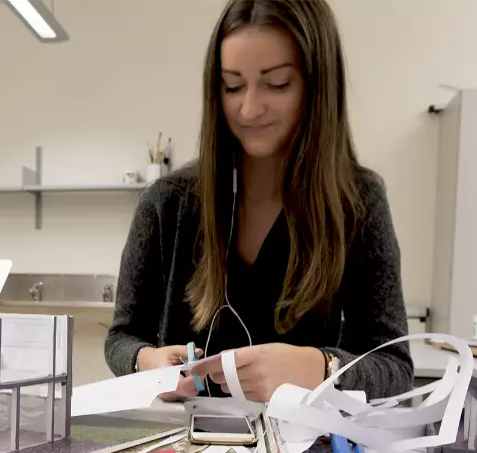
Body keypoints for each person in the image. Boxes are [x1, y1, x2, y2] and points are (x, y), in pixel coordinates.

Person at [105, 0, 412, 402]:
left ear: (317, 86)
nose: (249, 108)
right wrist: (146, 362)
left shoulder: (357, 203)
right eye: (232, 86)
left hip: (304, 442)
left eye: (278, 83)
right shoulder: (167, 204)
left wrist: (321, 367)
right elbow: (121, 338)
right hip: (182, 440)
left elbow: (394, 366)